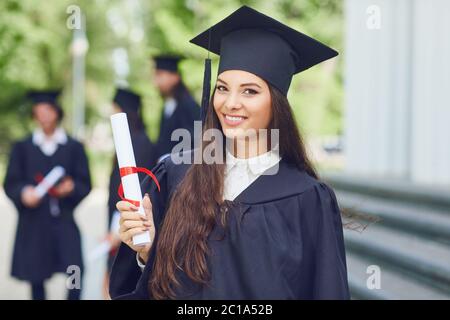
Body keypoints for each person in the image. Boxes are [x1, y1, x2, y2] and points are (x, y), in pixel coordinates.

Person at [110, 5, 350, 299]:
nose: (230, 103)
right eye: (222, 88)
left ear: (276, 103)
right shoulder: (177, 176)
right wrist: (147, 252)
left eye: (250, 91)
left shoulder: (307, 199)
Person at [3, 90, 91, 300]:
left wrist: (71, 188)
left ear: (57, 113)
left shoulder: (73, 147)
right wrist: (24, 193)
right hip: (33, 223)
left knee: (75, 270)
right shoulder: (22, 148)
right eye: (38, 112)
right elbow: (11, 182)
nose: (43, 117)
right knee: (36, 275)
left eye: (47, 111)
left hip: (64, 219)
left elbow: (85, 182)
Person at [104, 88, 156, 298]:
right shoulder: (138, 139)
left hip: (130, 225)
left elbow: (133, 192)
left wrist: (116, 229)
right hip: (124, 223)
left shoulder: (138, 143)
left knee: (115, 283)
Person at [152, 55, 200, 161]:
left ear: (175, 77)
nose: (155, 82)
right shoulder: (168, 106)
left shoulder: (189, 106)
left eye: (159, 75)